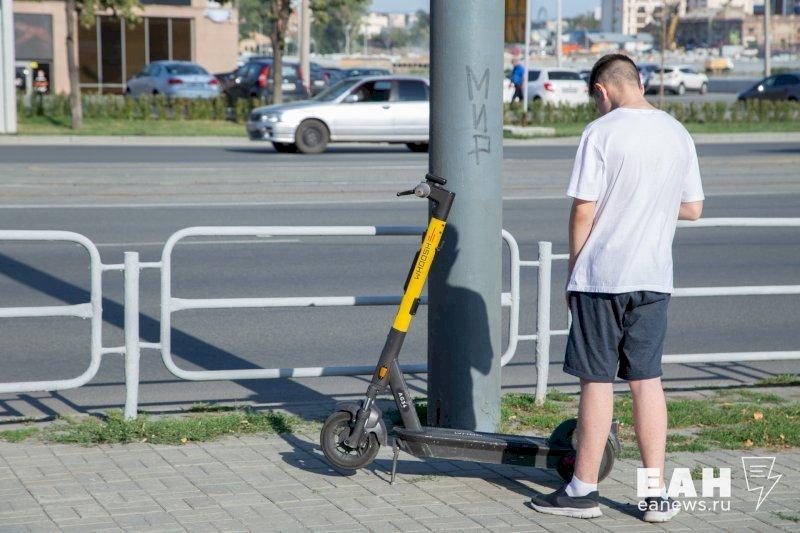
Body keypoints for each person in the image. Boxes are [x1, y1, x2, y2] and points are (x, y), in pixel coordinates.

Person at [530, 54, 704, 523]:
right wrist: (647, 201)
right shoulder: (677, 132)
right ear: (639, 83)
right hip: (654, 277)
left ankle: (583, 490)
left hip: (603, 276)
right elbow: (692, 208)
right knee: (647, 382)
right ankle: (655, 496)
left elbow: (583, 210)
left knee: (597, 381)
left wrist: (573, 272)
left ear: (602, 91)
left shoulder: (601, 132)